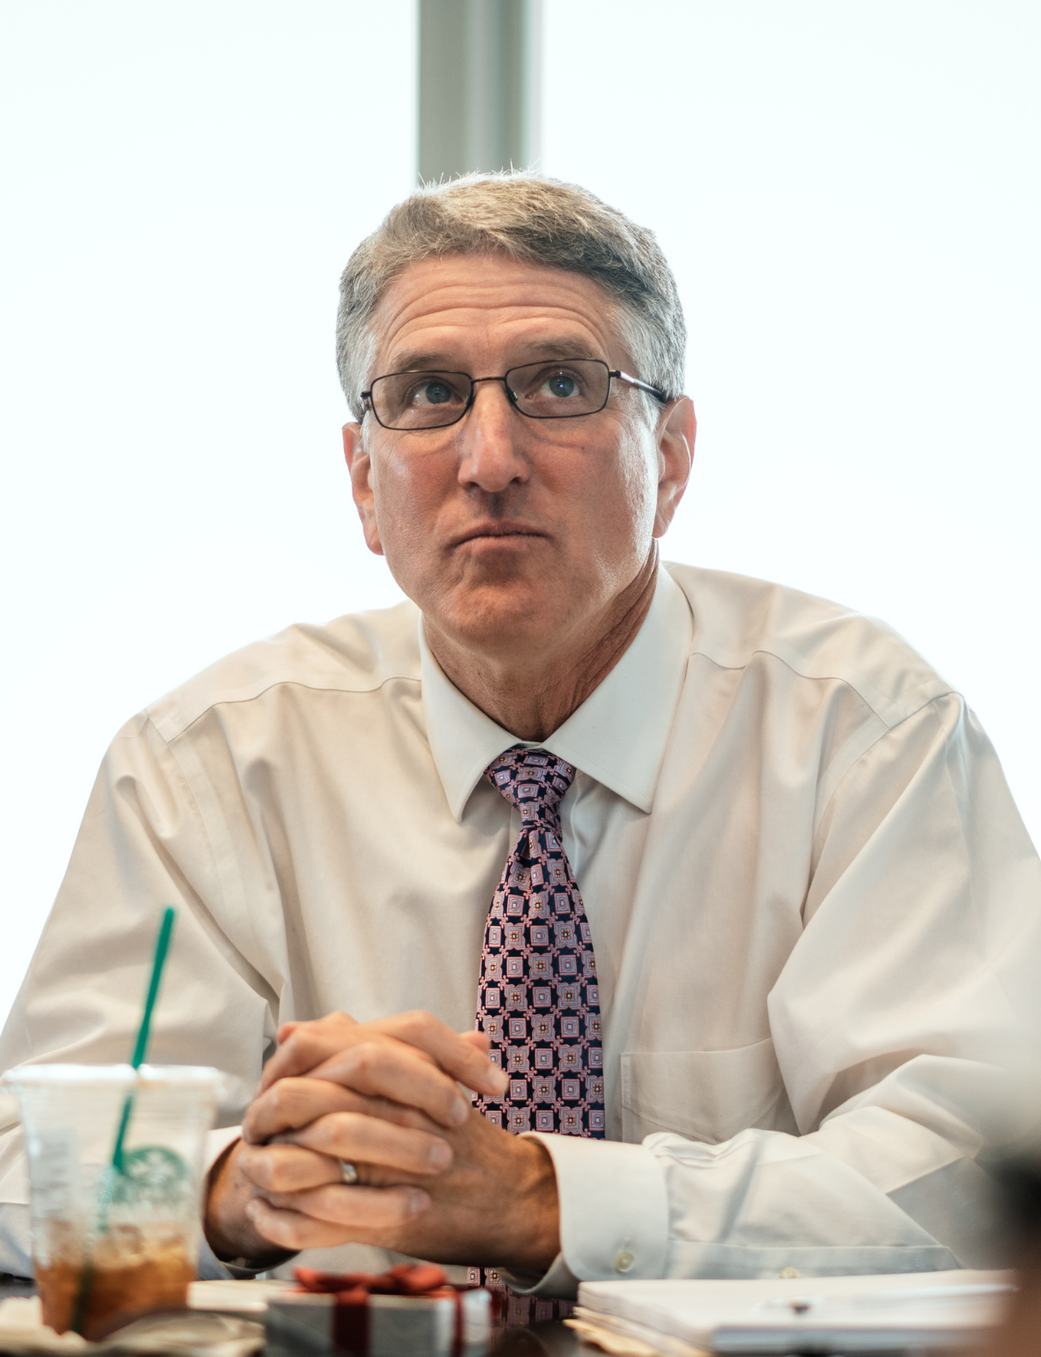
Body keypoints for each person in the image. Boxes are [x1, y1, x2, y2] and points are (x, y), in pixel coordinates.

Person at [0, 173, 1039, 1297]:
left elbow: (978, 1169)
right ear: (362, 479)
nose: (489, 458)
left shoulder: (867, 733)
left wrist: (543, 1196)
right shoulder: (204, 766)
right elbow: (30, 1162)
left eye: (558, 384)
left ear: (673, 456)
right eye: (431, 393)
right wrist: (232, 1194)